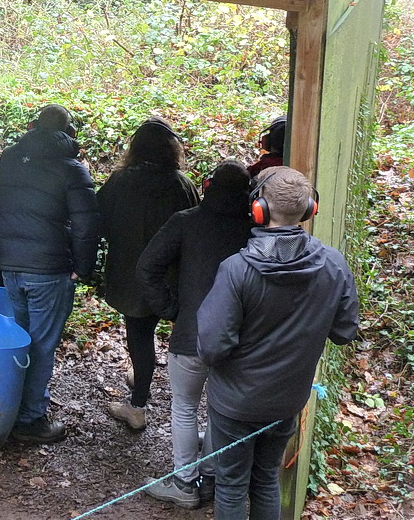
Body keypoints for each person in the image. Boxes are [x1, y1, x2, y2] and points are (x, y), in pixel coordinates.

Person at [197, 166, 359, 520]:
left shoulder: (236, 270)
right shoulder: (334, 265)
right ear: (309, 209)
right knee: (266, 477)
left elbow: (211, 348)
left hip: (234, 404)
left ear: (259, 209)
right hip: (287, 401)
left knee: (231, 485)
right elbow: (344, 332)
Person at [137, 159, 254, 509]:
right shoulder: (254, 232)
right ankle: (212, 476)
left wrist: (172, 309)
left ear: (207, 186)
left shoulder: (186, 222)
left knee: (185, 408)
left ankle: (185, 484)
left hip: (191, 335)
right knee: (219, 411)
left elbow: (147, 268)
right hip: (236, 341)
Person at [0, 104, 101, 444]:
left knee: (17, 339)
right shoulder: (73, 170)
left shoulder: (10, 158)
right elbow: (86, 226)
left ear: (34, 126)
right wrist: (81, 269)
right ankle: (29, 420)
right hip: (49, 269)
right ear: (70, 132)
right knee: (41, 345)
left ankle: (5, 407)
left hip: (10, 263)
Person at [97, 117, 198, 430]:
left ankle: (137, 405)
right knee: (146, 334)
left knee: (139, 335)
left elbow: (98, 220)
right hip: (168, 277)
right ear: (172, 150)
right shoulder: (182, 184)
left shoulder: (120, 180)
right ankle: (141, 375)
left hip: (129, 275)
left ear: (135, 147)